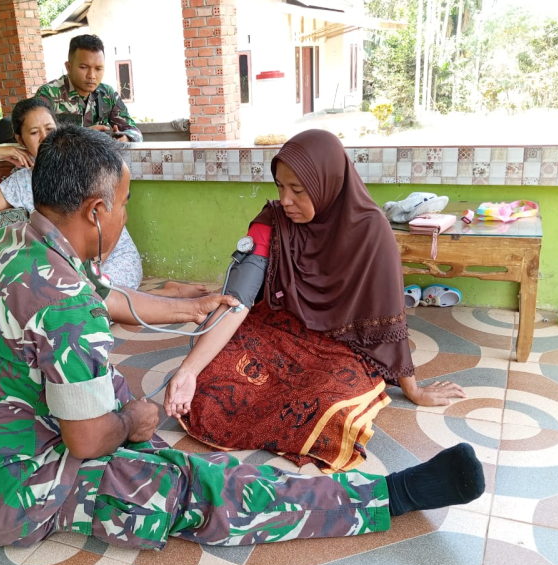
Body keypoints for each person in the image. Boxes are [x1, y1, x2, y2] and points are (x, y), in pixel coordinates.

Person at [0, 126, 484, 550]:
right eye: (124, 204)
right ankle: (394, 496)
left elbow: (109, 298)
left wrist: (190, 308)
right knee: (191, 485)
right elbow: (88, 441)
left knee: (118, 387)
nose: (124, 215)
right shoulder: (61, 301)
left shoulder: (19, 241)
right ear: (96, 211)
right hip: (10, 495)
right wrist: (132, 424)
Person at [164, 129, 468, 472]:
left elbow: (390, 320)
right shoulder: (272, 223)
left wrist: (413, 389)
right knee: (207, 380)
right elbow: (237, 300)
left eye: (298, 189)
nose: (286, 199)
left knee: (327, 408)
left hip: (340, 348)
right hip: (279, 334)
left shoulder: (371, 232)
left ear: (329, 183)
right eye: (280, 187)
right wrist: (188, 371)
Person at [0, 97, 182, 292]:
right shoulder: (23, 180)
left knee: (87, 304)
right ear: (20, 138)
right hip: (67, 266)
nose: (44, 138)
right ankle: (161, 295)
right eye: (34, 133)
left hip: (110, 256)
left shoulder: (81, 166)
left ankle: (165, 295)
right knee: (56, 305)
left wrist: (89, 271)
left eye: (49, 129)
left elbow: (112, 228)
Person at [36, 34, 142, 143]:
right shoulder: (49, 94)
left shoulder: (107, 94)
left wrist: (126, 138)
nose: (91, 75)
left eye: (98, 68)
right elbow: (38, 139)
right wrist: (80, 136)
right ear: (68, 67)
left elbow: (134, 131)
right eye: (84, 67)